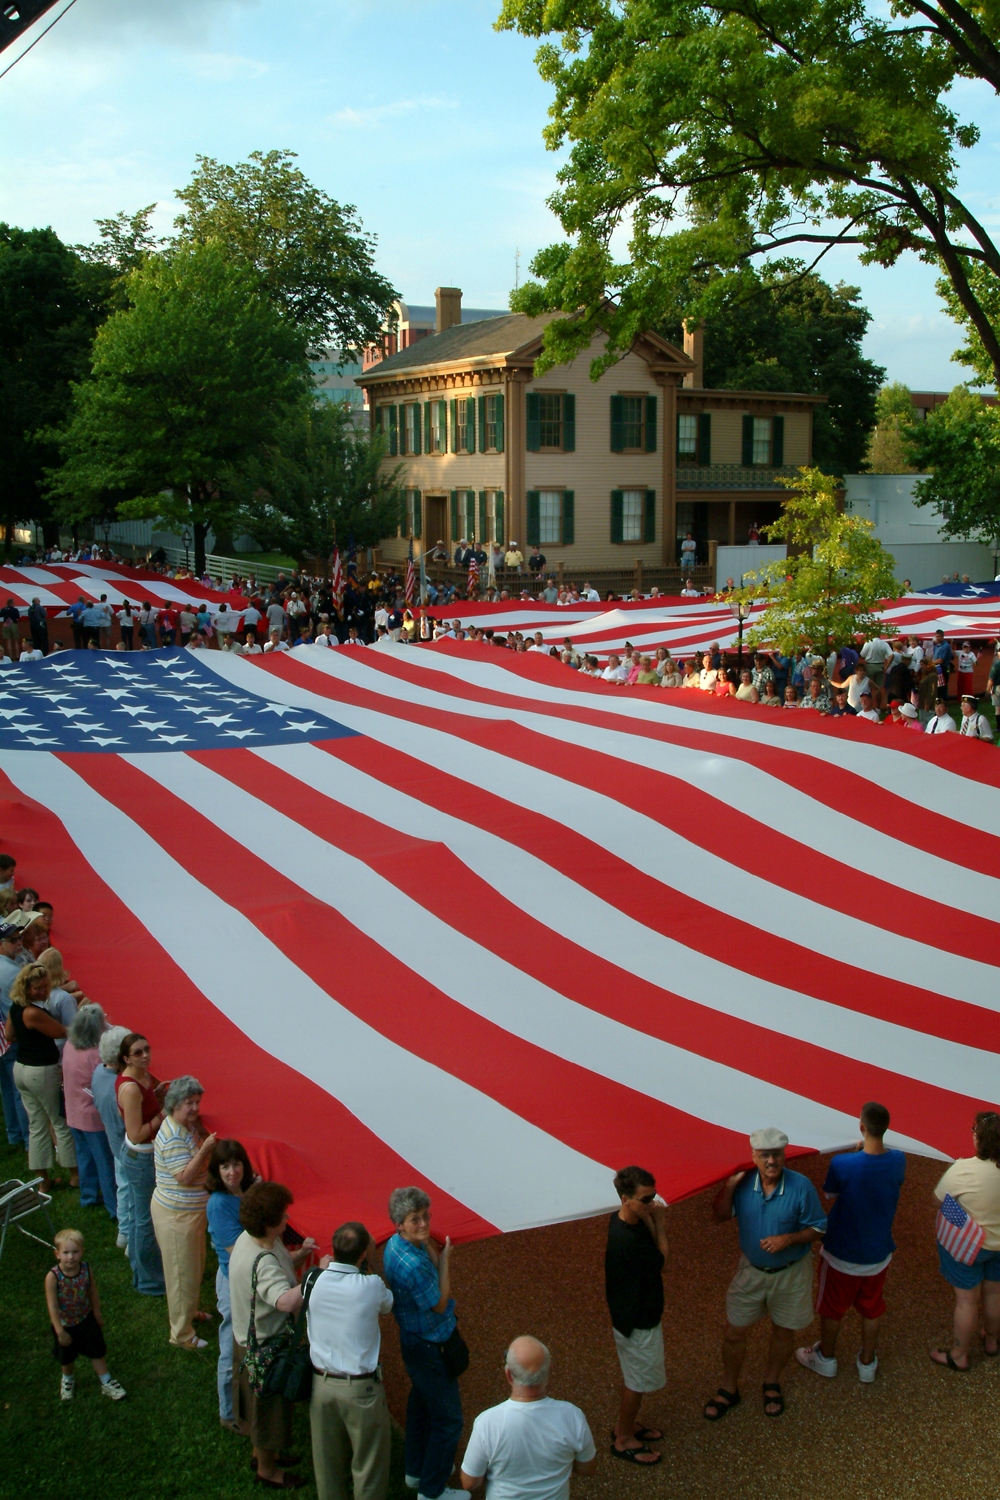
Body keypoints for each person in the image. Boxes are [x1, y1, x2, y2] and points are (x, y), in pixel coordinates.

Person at [703, 1128, 826, 1420]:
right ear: (754, 1157)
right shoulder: (744, 1183)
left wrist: (789, 1239)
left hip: (791, 1273)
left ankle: (772, 1382)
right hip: (751, 1271)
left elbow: (820, 1227)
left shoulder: (801, 1187)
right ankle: (729, 1388)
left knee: (783, 1330)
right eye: (765, 1155)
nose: (772, 1161)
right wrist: (730, 1185)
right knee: (734, 1332)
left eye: (777, 1154)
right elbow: (718, 1216)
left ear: (785, 1155)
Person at [796, 1102, 905, 1383]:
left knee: (832, 1307)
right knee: (872, 1308)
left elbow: (831, 1193)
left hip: (842, 1253)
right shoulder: (899, 1160)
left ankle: (826, 1358)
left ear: (861, 1127)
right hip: (878, 1252)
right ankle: (867, 1362)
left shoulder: (842, 1163)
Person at [230, 1179, 315, 1489]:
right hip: (268, 1349)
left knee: (259, 1410)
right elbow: (283, 1300)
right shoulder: (262, 1260)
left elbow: (278, 1268)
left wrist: (301, 1254)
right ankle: (268, 1470)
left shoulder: (252, 1241)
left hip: (248, 1343)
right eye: (282, 1215)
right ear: (268, 1222)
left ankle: (261, 1454)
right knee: (270, 1413)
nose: (287, 1219)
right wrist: (314, 1279)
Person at [382, 1186, 463, 1500]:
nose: (424, 1223)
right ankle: (432, 1490)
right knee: (449, 1420)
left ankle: (416, 1471)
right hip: (430, 1346)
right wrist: (444, 1264)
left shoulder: (396, 1245)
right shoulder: (414, 1265)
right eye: (415, 1219)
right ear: (400, 1223)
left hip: (415, 1342)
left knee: (420, 1407)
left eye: (426, 1216)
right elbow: (440, 1304)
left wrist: (430, 1246)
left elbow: (426, 1245)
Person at [308, 1220, 394, 1500]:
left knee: (327, 1467)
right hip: (362, 1392)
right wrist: (375, 1265)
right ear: (363, 1254)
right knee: (369, 1467)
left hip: (321, 1386)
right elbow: (388, 1302)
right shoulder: (370, 1286)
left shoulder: (313, 1280)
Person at [460, 1337, 597, 1497]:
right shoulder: (572, 1417)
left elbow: (468, 1482)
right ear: (547, 1372)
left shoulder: (487, 1423)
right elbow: (587, 1468)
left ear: (509, 1375)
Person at [606, 1166, 669, 1465]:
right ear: (625, 1198)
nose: (651, 1204)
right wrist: (661, 1224)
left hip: (627, 1316)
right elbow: (662, 1260)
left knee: (634, 1375)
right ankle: (624, 1439)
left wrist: (649, 1217)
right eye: (646, 1199)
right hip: (638, 1322)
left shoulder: (620, 1222)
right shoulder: (628, 1240)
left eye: (653, 1197)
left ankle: (625, 1424)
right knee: (638, 1381)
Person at [930, 1111, 1000, 1371]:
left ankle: (959, 1354)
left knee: (967, 1300)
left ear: (979, 1140)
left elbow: (936, 1200)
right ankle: (991, 1341)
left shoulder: (963, 1169)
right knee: (995, 1293)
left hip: (971, 1245)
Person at [151, 1074, 216, 1350]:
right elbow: (185, 1177)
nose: (194, 1108)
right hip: (177, 1216)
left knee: (194, 1267)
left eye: (197, 1101)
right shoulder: (172, 1137)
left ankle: (189, 1312)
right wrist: (206, 1149)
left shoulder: (185, 1126)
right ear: (174, 1104)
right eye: (189, 1102)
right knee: (181, 1273)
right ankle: (181, 1333)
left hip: (189, 1214)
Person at [5, 962, 77, 1193]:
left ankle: (42, 1179)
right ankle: (75, 1174)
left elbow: (8, 1034)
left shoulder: (16, 1007)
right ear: (27, 987)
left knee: (36, 1125)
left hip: (21, 1069)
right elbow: (59, 1031)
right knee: (59, 1122)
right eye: (39, 988)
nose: (44, 991)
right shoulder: (33, 1012)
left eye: (46, 986)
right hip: (42, 1071)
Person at [207, 1138, 256, 1432]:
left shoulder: (246, 1192)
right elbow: (236, 1252)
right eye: (224, 1166)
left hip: (249, 1278)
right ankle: (228, 1413)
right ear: (217, 1170)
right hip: (232, 1281)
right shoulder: (218, 1204)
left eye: (236, 1164)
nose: (232, 1171)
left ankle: (245, 1403)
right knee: (230, 1345)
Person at [45, 1228, 126, 1402]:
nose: (71, 1257)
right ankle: (67, 1380)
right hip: (65, 1324)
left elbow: (93, 1292)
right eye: (66, 1253)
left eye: (75, 1252)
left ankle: (106, 1380)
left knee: (96, 1349)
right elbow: (52, 1305)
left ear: (82, 1252)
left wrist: (96, 1314)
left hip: (85, 1319)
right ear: (57, 1254)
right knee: (67, 1356)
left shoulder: (85, 1270)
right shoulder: (53, 1277)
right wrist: (60, 1331)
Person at [116, 1032, 167, 1296]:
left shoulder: (141, 1077)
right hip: (142, 1157)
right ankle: (151, 1281)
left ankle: (141, 1270)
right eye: (138, 1052)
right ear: (126, 1058)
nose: (145, 1055)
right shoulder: (130, 1087)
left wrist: (155, 1095)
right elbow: (136, 1132)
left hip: (140, 1155)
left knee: (140, 1217)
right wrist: (164, 1113)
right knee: (146, 1222)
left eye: (147, 1049)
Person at [63, 1004, 118, 1217]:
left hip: (74, 1112)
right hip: (93, 1118)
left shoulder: (69, 1045)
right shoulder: (96, 1055)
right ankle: (114, 1207)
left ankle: (88, 1196)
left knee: (84, 1157)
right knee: (105, 1163)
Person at [91, 1024, 131, 1252]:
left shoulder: (98, 1073)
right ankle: (128, 1238)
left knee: (123, 1189)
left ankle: (123, 1234)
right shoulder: (119, 1086)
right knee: (131, 1195)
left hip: (115, 1143)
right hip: (126, 1145)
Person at [0, 915, 30, 1148]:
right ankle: (30, 1140)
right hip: (12, 1036)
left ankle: (14, 1134)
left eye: (19, 938)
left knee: (7, 1089)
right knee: (21, 1090)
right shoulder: (12, 973)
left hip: (1, 1035)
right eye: (13, 940)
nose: (18, 942)